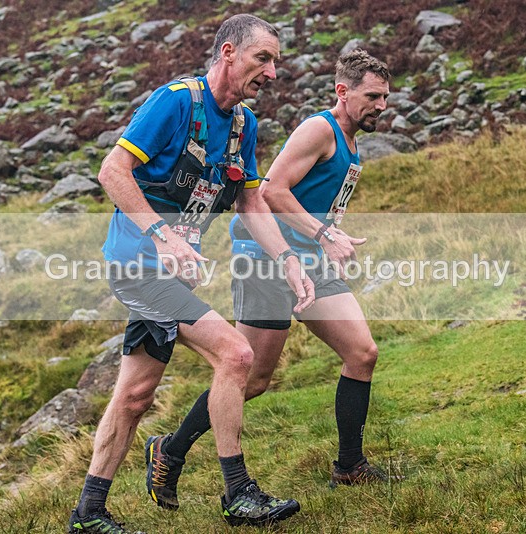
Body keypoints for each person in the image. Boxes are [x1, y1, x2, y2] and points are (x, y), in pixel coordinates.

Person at [67, 14, 315, 534]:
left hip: (173, 276)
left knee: (135, 396)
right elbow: (113, 171)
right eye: (262, 59)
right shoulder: (175, 101)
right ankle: (239, 494)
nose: (272, 73)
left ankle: (88, 513)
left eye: (276, 63)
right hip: (138, 265)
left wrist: (290, 261)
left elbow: (251, 202)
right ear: (228, 53)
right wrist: (163, 234)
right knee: (237, 353)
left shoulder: (244, 126)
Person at [144, 49, 392, 512]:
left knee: (362, 353)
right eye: (372, 96)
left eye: (385, 97)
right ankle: (169, 451)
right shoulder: (320, 129)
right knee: (252, 378)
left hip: (311, 261)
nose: (381, 106)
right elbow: (272, 190)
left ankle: (349, 465)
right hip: (264, 260)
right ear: (343, 91)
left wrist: (325, 243)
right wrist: (321, 233)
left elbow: (319, 200)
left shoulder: (354, 141)